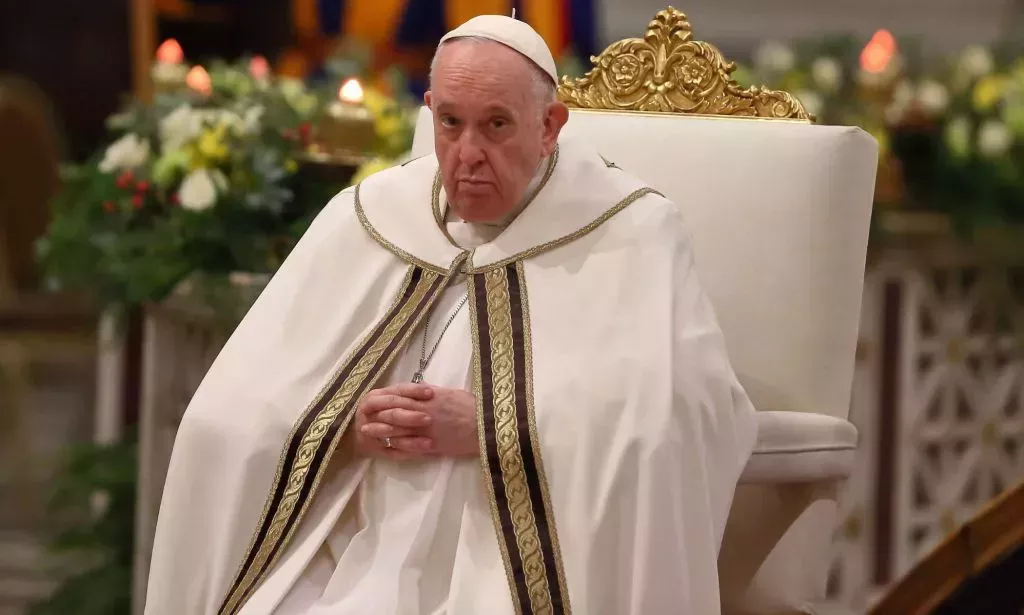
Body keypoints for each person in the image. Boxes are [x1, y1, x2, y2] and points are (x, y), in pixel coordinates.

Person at [145, 14, 757, 615]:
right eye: (450, 123)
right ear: (430, 111)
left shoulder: (634, 232)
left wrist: (497, 426)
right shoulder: (369, 214)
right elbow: (230, 408)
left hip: (510, 565)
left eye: (496, 126)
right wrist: (340, 425)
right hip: (350, 544)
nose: (468, 154)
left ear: (550, 127)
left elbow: (685, 416)